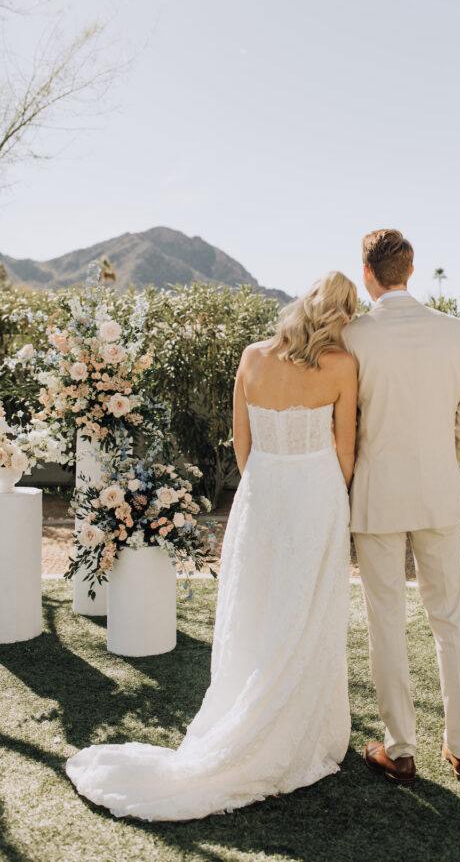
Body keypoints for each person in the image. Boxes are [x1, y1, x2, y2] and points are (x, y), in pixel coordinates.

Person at [66, 271, 358, 821]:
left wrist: (266, 489)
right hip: (317, 493)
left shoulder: (251, 356)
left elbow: (242, 447)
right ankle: (294, 728)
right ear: (339, 316)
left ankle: (244, 710)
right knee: (307, 607)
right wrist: (330, 495)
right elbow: (345, 450)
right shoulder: (342, 366)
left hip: (261, 494)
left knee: (256, 605)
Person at [343, 229, 460, 786]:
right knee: (450, 619)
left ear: (367, 273)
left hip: (376, 495)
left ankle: (400, 751)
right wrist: (459, 480)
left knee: (386, 621)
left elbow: (344, 423)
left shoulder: (354, 334)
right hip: (438, 492)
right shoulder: (451, 330)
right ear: (411, 269)